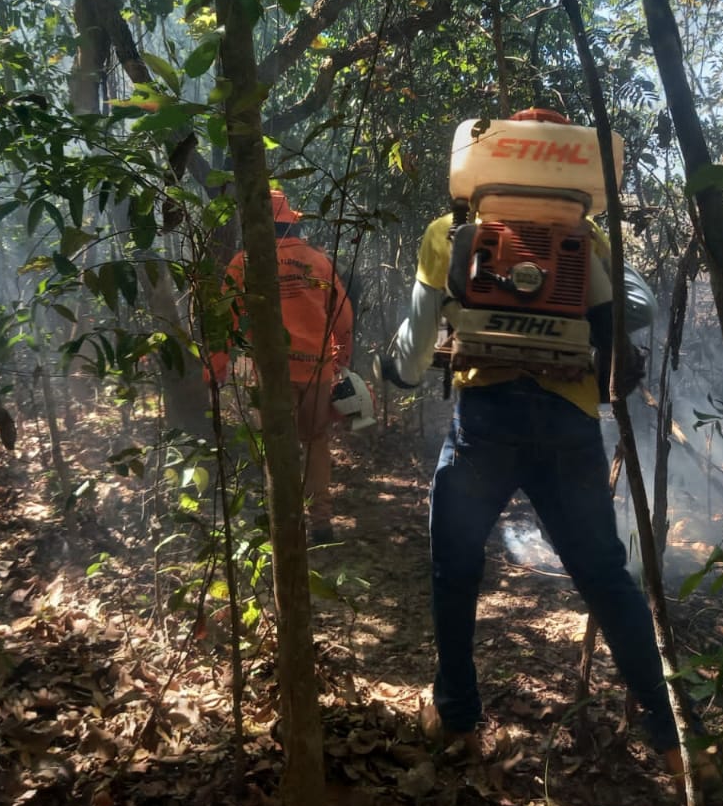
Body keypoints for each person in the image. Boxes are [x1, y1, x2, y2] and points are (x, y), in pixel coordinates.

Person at [380, 200, 697, 776]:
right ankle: (679, 741)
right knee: (604, 575)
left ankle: (455, 720)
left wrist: (398, 364)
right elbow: (638, 310)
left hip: (486, 423)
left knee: (455, 568)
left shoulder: (449, 233)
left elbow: (417, 346)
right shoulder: (584, 232)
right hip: (568, 420)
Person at [210, 189, 354, 543]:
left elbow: (224, 321)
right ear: (289, 223)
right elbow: (343, 315)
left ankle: (285, 521)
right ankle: (320, 520)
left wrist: (215, 369)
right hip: (317, 368)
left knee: (277, 445)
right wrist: (341, 362)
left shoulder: (243, 263)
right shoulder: (317, 260)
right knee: (316, 440)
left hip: (273, 373)